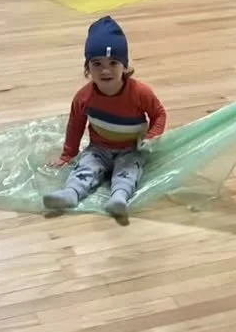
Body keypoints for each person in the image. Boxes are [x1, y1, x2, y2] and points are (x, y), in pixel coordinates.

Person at [43, 15, 166, 224]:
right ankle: (71, 193)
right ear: (87, 68)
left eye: (113, 63)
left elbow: (159, 114)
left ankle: (119, 197)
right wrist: (68, 154)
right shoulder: (84, 97)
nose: (105, 70)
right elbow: (75, 125)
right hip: (98, 148)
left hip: (131, 148)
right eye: (97, 63)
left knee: (129, 170)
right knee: (86, 167)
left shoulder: (140, 93)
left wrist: (152, 136)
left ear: (125, 66)